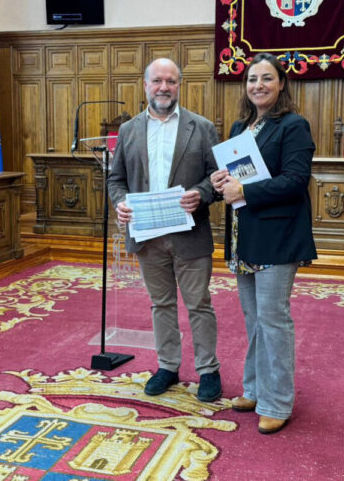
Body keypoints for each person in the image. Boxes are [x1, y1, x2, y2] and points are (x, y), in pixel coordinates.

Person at [210, 53, 317, 434]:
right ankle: (255, 388)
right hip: (245, 235)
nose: (258, 85)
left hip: (278, 236)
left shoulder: (294, 125)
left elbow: (295, 180)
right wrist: (222, 182)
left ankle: (278, 402)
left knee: (274, 320)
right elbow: (240, 177)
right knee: (254, 320)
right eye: (252, 78)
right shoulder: (242, 126)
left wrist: (245, 189)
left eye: (267, 78)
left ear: (281, 83)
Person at [107, 58, 222, 402]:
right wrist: (120, 203)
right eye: (157, 81)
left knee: (199, 304)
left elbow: (217, 180)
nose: (164, 87)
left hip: (190, 233)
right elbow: (116, 179)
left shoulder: (201, 128)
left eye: (171, 81)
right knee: (161, 304)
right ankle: (168, 366)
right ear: (145, 85)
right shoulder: (128, 131)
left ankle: (208, 370)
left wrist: (201, 194)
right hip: (147, 235)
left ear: (179, 86)